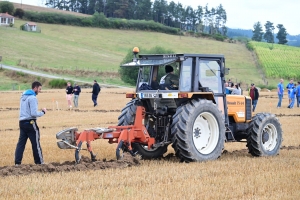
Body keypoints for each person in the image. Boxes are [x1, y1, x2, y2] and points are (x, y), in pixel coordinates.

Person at [15, 81, 47, 165]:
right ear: (35, 88)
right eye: (39, 89)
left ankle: (17, 163)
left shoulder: (23, 96)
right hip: (30, 122)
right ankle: (39, 163)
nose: (40, 91)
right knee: (36, 143)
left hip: (22, 122)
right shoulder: (33, 98)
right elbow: (33, 113)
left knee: (21, 144)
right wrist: (43, 112)